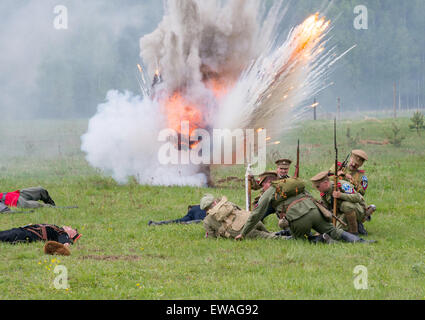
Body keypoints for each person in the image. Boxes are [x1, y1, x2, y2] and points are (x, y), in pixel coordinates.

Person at [235, 177, 374, 244]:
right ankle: (362, 242)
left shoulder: (270, 192)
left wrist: (243, 233)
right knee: (334, 230)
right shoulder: (291, 184)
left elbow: (255, 215)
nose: (261, 186)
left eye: (262, 183)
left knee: (299, 240)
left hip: (298, 218)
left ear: (268, 183)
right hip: (314, 210)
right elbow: (311, 196)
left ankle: (321, 240)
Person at [311, 171, 376, 235]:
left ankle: (354, 231)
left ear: (326, 183)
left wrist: (341, 195)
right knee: (335, 230)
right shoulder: (324, 193)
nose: (317, 189)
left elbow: (357, 197)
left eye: (318, 186)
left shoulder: (342, 185)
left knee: (346, 205)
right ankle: (351, 227)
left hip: (358, 210)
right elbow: (328, 208)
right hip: (341, 213)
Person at [200, 194, 288, 240]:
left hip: (241, 231)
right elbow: (240, 210)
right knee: (267, 233)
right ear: (214, 201)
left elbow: (211, 237)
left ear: (205, 209)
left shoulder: (207, 221)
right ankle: (283, 233)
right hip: (252, 219)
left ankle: (289, 238)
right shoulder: (227, 203)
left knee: (266, 237)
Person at [0, 224, 80, 246]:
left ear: (71, 234)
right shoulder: (58, 229)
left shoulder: (63, 234)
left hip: (25, 235)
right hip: (22, 230)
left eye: (72, 229)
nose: (69, 226)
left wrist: (68, 241)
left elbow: (65, 244)